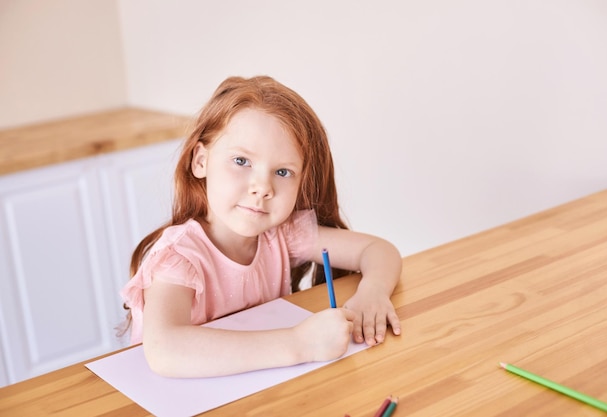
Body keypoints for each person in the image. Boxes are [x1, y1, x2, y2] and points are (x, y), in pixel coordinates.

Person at [120, 75, 402, 378]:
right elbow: (165, 349)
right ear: (200, 161)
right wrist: (299, 343)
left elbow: (378, 250)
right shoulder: (180, 256)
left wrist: (373, 290)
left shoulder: (283, 234)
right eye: (241, 161)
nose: (263, 187)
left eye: (283, 171)